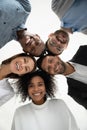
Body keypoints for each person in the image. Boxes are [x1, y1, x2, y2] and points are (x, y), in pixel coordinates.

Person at [11, 70, 79, 130]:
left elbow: (74, 128)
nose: (36, 89)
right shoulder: (20, 112)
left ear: (46, 86)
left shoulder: (59, 104)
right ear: (26, 89)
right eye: (31, 86)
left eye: (40, 84)